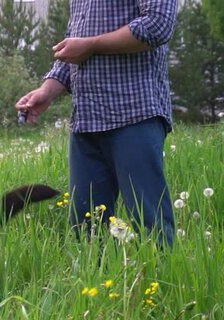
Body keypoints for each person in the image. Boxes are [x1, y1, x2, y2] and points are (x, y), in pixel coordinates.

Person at [16, 1, 177, 246]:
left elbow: (157, 25)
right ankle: (98, 284)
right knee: (87, 229)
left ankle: (161, 282)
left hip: (135, 113)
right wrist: (47, 90)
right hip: (87, 121)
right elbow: (74, 45)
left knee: (149, 222)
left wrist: (91, 45)